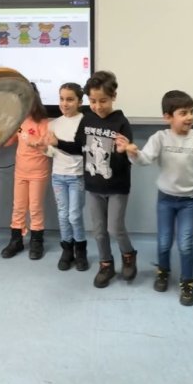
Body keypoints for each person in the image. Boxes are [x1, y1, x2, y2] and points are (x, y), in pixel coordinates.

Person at [118, 90, 193, 306]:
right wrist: (132, 151)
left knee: (185, 244)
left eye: (191, 111)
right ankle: (163, 271)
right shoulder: (160, 138)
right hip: (166, 200)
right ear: (168, 117)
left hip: (188, 201)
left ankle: (187, 282)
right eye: (183, 112)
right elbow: (144, 159)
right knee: (163, 242)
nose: (189, 116)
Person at [49, 70, 137, 289]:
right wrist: (57, 142)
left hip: (117, 186)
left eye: (103, 101)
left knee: (115, 228)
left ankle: (128, 254)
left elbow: (127, 158)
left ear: (114, 96)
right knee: (98, 230)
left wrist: (123, 151)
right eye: (93, 101)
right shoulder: (87, 119)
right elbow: (79, 148)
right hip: (93, 185)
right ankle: (105, 264)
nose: (98, 106)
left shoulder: (121, 122)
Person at [1, 83, 51, 260]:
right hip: (20, 172)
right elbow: (8, 142)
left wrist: (30, 138)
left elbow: (46, 144)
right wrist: (1, 133)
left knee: (35, 208)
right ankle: (16, 240)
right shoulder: (18, 121)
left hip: (38, 173)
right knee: (18, 207)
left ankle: (37, 241)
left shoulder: (43, 122)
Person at [44, 82, 89, 272]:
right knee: (63, 215)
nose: (65, 103)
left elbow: (81, 150)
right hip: (58, 176)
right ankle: (67, 250)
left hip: (76, 176)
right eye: (62, 99)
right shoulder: (52, 123)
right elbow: (52, 152)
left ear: (79, 101)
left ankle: (81, 251)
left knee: (74, 215)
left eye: (70, 99)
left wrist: (57, 143)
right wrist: (43, 148)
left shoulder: (84, 121)